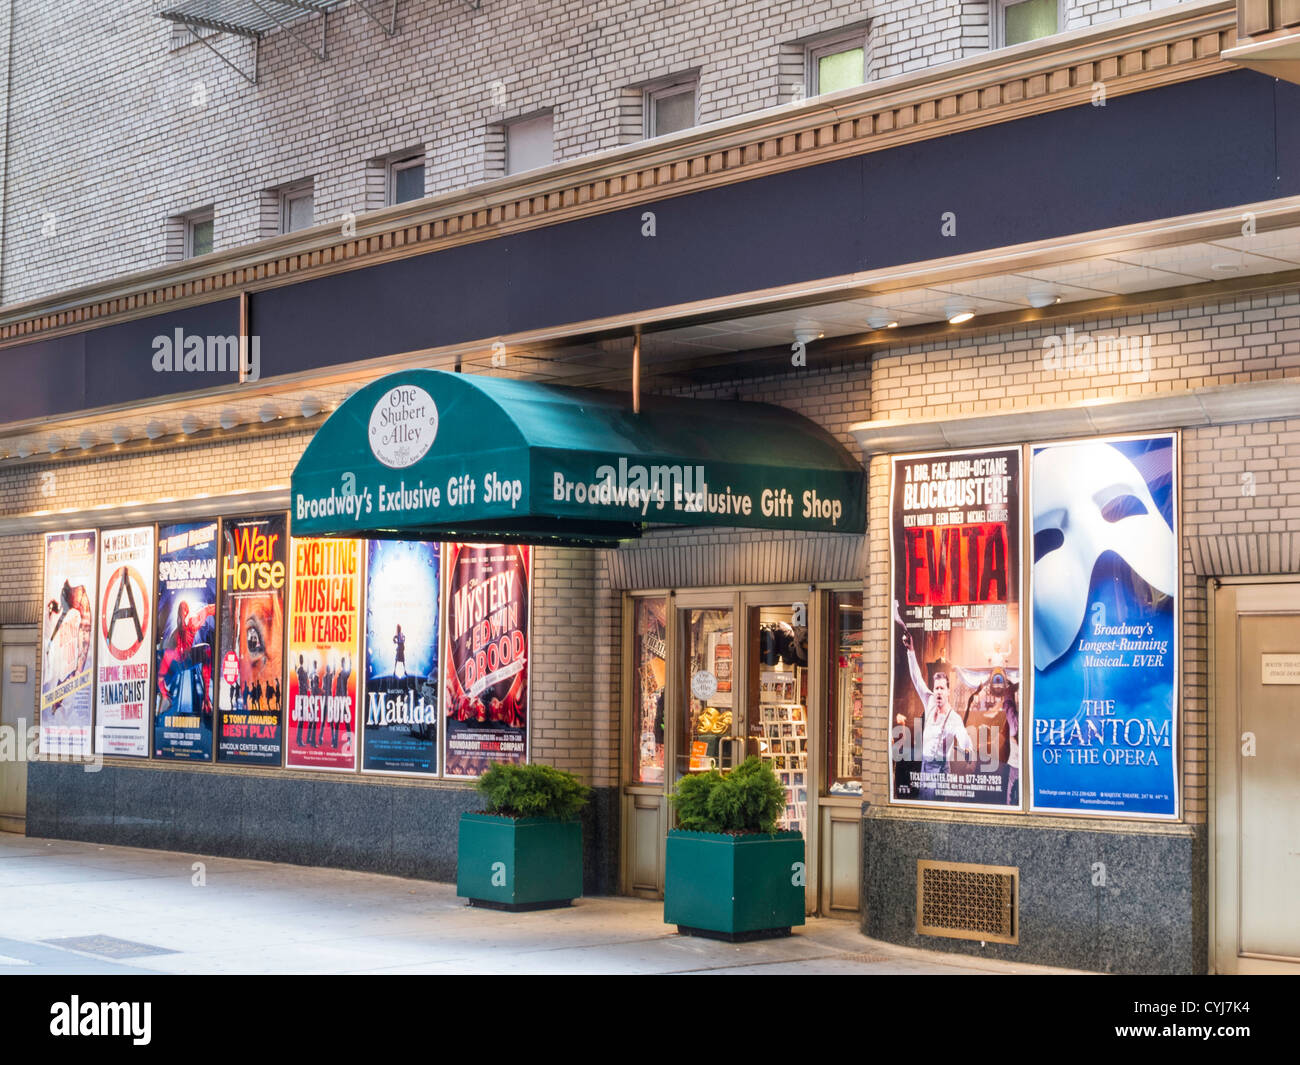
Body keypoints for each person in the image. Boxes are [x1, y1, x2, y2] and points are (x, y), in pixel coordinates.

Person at [899, 627, 974, 801]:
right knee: (924, 804)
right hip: (926, 766)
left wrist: (967, 747)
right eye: (936, 688)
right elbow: (917, 679)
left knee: (935, 807)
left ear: (948, 691)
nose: (939, 692)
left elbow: (962, 735)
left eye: (942, 688)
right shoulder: (930, 701)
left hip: (940, 769)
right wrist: (911, 651)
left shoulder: (953, 718)